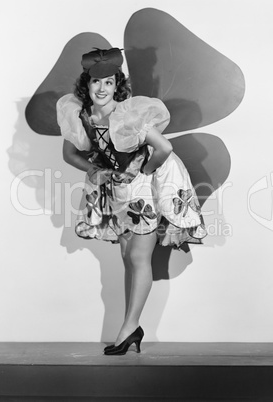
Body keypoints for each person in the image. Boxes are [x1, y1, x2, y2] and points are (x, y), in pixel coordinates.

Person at [56, 47, 207, 355]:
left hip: (148, 182)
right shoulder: (80, 115)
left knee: (138, 259)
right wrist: (97, 170)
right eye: (95, 82)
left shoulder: (129, 115)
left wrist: (141, 174)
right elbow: (69, 154)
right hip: (117, 187)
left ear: (117, 85)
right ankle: (131, 328)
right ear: (86, 85)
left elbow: (163, 148)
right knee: (128, 258)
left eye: (108, 83)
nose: (101, 89)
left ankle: (128, 329)